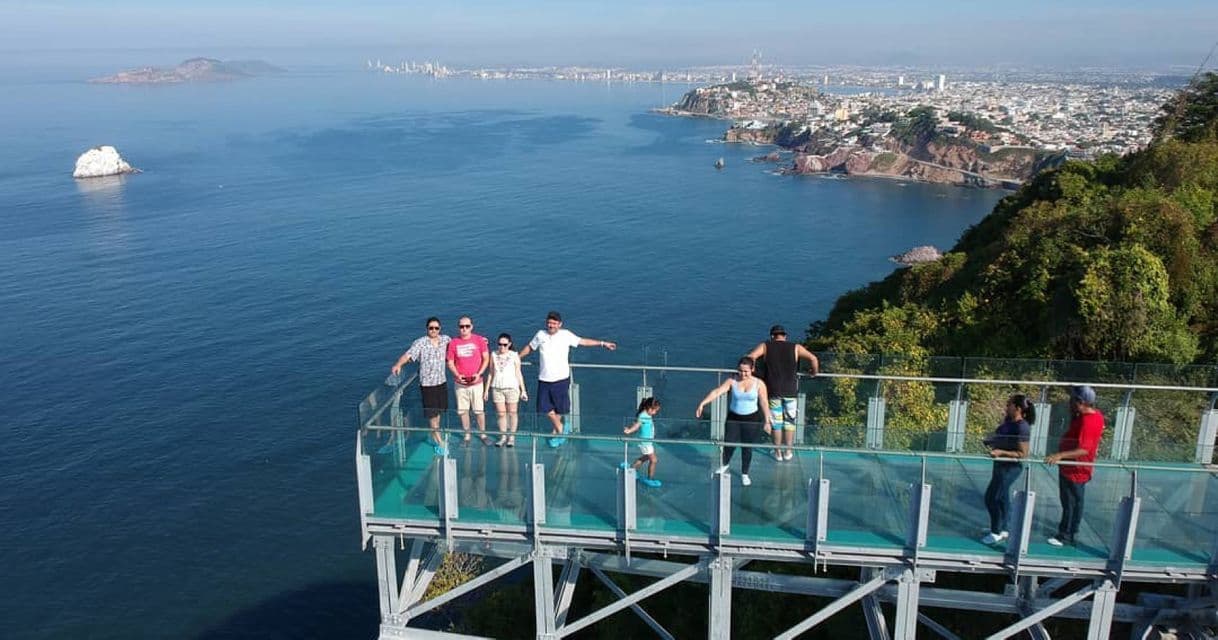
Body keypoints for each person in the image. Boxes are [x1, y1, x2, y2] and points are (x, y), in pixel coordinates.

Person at [517, 311, 617, 447]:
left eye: (554, 323)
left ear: (560, 324)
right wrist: (517, 358)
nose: (551, 325)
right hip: (544, 378)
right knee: (544, 407)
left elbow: (583, 341)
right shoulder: (540, 335)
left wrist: (602, 343)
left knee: (559, 408)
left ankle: (556, 432)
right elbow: (530, 348)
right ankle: (561, 429)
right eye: (549, 322)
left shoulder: (566, 335)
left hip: (561, 379)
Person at [695, 356, 773, 487]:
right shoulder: (732, 381)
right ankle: (725, 464)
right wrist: (703, 403)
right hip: (734, 417)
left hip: (751, 419)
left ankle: (745, 473)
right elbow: (717, 392)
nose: (743, 374)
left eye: (746, 371)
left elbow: (764, 402)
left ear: (752, 369)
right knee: (729, 443)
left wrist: (767, 420)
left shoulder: (759, 384)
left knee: (747, 447)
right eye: (741, 371)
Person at [747, 324, 819, 461]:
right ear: (785, 336)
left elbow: (750, 358)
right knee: (790, 422)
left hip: (773, 390)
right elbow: (813, 358)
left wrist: (754, 372)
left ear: (772, 336)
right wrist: (813, 372)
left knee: (776, 423)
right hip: (791, 390)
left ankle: (778, 453)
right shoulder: (796, 347)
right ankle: (788, 452)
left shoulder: (765, 346)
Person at [1045, 385, 1104, 547]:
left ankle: (1066, 535)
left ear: (1080, 402)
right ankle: (1067, 531)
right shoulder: (1089, 416)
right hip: (1069, 468)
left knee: (1071, 502)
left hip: (1076, 470)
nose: (1069, 402)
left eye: (1072, 400)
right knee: (1069, 501)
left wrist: (1060, 456)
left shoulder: (1089, 421)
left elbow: (1084, 449)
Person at [390, 317, 451, 455]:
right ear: (427, 329)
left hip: (441, 381)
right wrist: (398, 364)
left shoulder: (445, 340)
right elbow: (408, 355)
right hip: (428, 385)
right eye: (431, 328)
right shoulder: (420, 343)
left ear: (440, 329)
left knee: (439, 412)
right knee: (432, 414)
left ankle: (435, 434)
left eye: (436, 328)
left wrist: (481, 341)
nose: (434, 330)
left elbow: (459, 345)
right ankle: (439, 441)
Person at [979, 394, 1034, 545]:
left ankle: (995, 532)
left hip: (1010, 468)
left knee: (992, 497)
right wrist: (991, 441)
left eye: (1009, 404)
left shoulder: (1022, 427)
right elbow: (1003, 438)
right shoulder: (1009, 422)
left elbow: (1022, 454)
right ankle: (1003, 528)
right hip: (1000, 466)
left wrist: (1001, 452)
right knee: (1002, 497)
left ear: (1017, 408)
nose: (1006, 407)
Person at [446, 315, 490, 445]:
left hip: (477, 383)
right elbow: (450, 362)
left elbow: (486, 359)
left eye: (467, 326)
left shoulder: (479, 340)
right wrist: (457, 375)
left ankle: (483, 434)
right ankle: (467, 435)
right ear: (458, 328)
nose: (464, 329)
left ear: (471, 327)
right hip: (460, 384)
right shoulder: (453, 343)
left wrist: (479, 373)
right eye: (461, 326)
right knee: (462, 411)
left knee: (479, 411)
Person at [485, 333, 528, 447]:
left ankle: (512, 437)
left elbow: (518, 373)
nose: (502, 347)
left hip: (512, 388)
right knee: (501, 414)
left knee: (512, 413)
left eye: (504, 345)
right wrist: (486, 390)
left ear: (509, 344)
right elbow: (491, 373)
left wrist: (523, 390)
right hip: (497, 388)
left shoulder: (514, 355)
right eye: (500, 344)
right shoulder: (493, 354)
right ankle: (503, 436)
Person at [622, 397, 663, 487]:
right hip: (645, 443)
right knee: (654, 460)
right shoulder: (643, 416)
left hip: (648, 442)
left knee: (645, 458)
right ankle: (650, 478)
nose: (655, 413)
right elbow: (637, 425)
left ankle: (632, 468)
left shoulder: (647, 415)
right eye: (654, 410)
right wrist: (629, 430)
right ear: (648, 407)